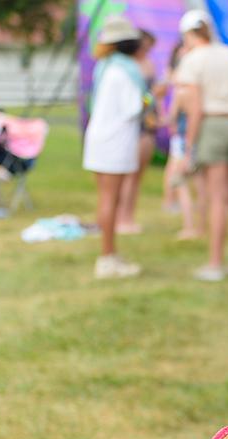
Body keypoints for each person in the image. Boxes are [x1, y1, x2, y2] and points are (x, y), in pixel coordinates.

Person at [176, 9, 228, 281]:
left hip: (213, 124)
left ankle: (215, 265)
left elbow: (195, 108)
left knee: (217, 198)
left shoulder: (191, 60)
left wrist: (189, 146)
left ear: (188, 34)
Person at [82, 15, 145, 279]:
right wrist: (151, 99)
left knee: (106, 199)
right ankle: (107, 258)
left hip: (99, 139)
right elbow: (133, 107)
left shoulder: (105, 67)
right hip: (114, 141)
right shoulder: (126, 71)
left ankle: (109, 253)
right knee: (111, 200)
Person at [116, 29, 159, 235]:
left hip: (147, 125)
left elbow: (149, 99)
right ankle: (122, 218)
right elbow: (139, 100)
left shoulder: (148, 65)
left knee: (137, 176)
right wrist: (153, 96)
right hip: (133, 125)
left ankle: (128, 216)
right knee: (128, 175)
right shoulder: (127, 68)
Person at [164, 41, 204, 240]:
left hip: (183, 141)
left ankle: (189, 226)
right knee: (200, 183)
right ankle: (203, 226)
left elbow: (170, 118)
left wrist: (158, 109)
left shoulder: (181, 92)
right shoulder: (201, 91)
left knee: (181, 183)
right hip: (199, 139)